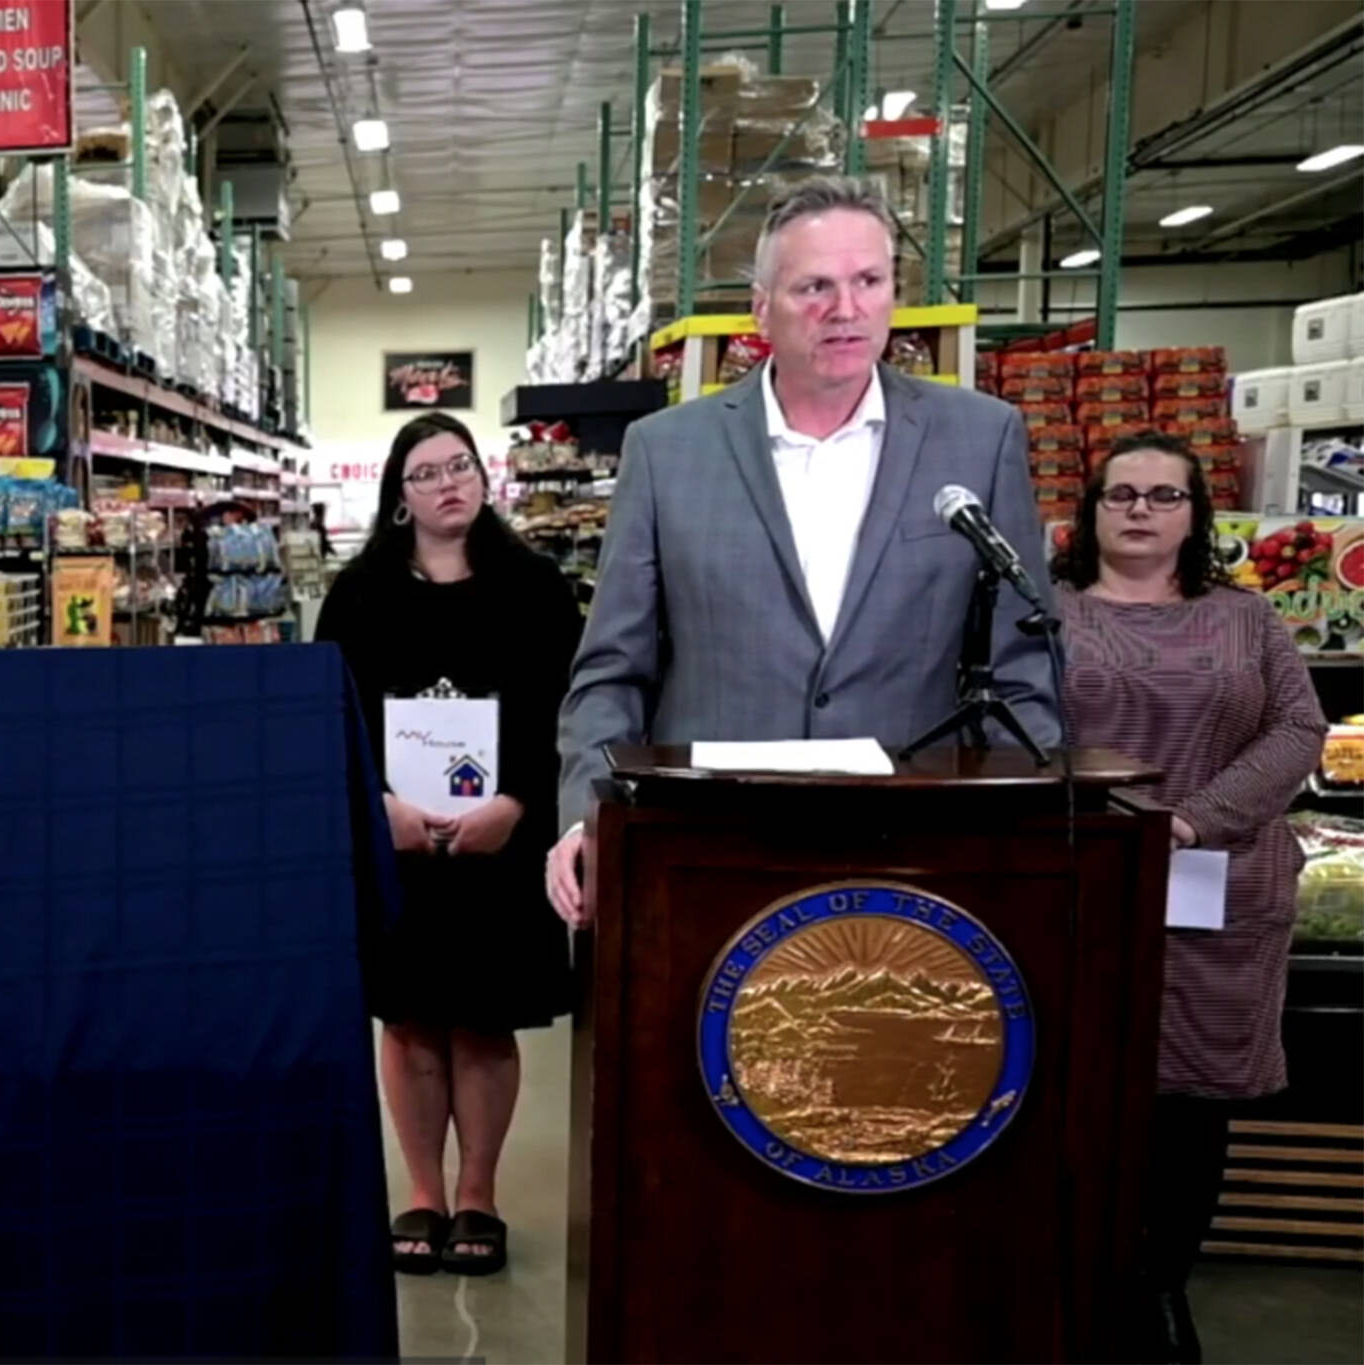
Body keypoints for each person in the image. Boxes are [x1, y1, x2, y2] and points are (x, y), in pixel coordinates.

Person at [548, 175, 1060, 924]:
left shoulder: (978, 439)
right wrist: (585, 816)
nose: (845, 309)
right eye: (813, 286)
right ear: (761, 308)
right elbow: (613, 670)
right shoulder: (666, 451)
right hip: (708, 847)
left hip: (916, 852)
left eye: (868, 281)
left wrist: (1029, 837)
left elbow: (1023, 661)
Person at [1051, 431, 1326, 1363]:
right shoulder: (1041, 617)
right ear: (1088, 510)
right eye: (1120, 492)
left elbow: (1300, 727)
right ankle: (1072, 1287)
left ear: (1196, 514)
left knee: (1190, 1103)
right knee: (1071, 1083)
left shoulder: (1246, 620)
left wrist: (1189, 820)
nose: (1139, 509)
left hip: (1217, 890)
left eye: (1164, 496)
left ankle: (1160, 1290)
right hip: (1077, 889)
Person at [315, 412, 583, 1277]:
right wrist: (378, 805)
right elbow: (328, 716)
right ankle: (422, 1191)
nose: (447, 483)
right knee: (412, 1020)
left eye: (459, 465)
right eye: (425, 473)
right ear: (399, 497)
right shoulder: (357, 598)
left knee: (484, 1019)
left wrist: (518, 803)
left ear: (484, 476)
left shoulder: (537, 588)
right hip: (398, 844)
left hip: (502, 843)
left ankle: (480, 1193)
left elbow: (568, 713)